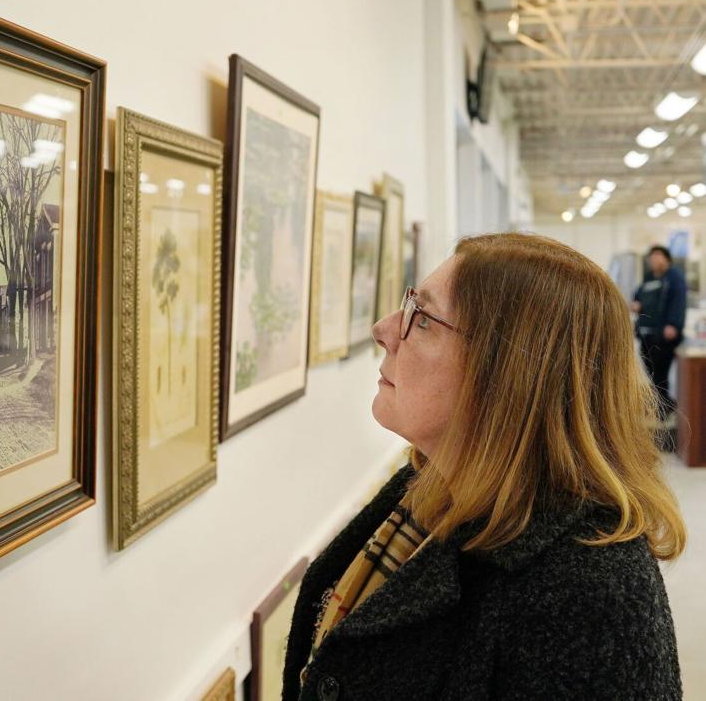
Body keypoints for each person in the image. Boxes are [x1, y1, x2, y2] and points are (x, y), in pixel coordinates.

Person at [283, 233, 685, 701]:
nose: (384, 329)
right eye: (410, 305)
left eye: (423, 320)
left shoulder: (593, 591)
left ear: (508, 375)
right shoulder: (426, 488)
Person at [631, 245, 687, 449]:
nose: (653, 260)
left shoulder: (674, 278)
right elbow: (637, 298)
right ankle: (663, 408)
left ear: (666, 259)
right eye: (651, 257)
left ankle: (665, 412)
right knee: (651, 373)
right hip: (646, 334)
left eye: (657, 256)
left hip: (664, 335)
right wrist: (636, 304)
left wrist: (673, 324)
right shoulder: (648, 279)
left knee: (660, 374)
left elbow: (679, 302)